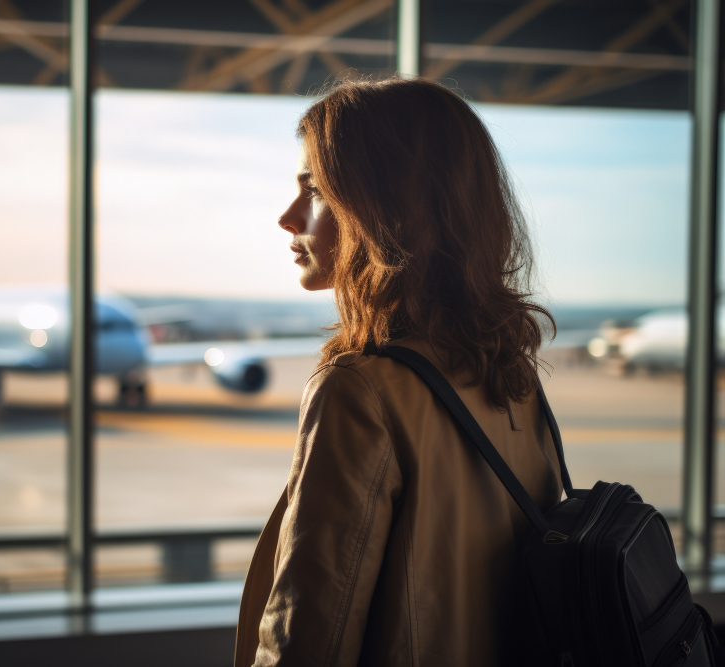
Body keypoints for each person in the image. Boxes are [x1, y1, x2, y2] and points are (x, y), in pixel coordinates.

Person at [233, 77, 563, 667]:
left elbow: (309, 642)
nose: (288, 218)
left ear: (383, 208)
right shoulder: (511, 375)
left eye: (315, 189)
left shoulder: (359, 391)